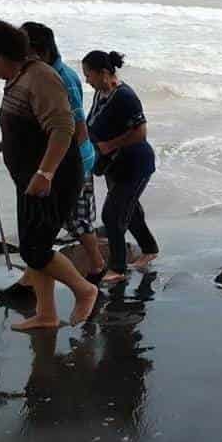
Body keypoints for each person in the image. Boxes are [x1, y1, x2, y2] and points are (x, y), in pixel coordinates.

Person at [0, 19, 98, 330]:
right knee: (34, 248)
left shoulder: (42, 77)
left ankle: (85, 291)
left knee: (35, 248)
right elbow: (29, 130)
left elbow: (63, 128)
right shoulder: (20, 77)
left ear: (1, 53)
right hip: (31, 179)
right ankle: (46, 314)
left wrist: (45, 172)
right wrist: (0, 146)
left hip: (53, 179)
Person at [22, 22, 104, 279]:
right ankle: (30, 278)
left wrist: (63, 168)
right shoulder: (47, 74)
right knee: (59, 221)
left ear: (39, 50)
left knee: (76, 221)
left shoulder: (62, 78)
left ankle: (97, 267)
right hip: (65, 159)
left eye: (24, 49)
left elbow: (78, 126)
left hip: (74, 160)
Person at [82, 50, 159, 284]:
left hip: (134, 164)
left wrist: (109, 145)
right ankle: (149, 249)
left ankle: (117, 267)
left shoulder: (125, 96)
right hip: (113, 164)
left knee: (112, 214)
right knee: (129, 208)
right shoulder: (101, 93)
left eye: (89, 75)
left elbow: (140, 132)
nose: (87, 80)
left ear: (104, 73)